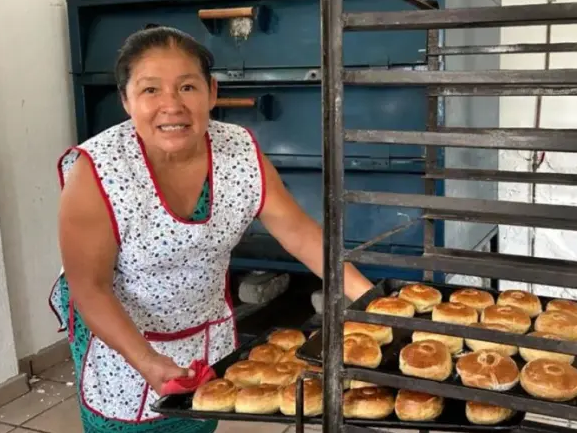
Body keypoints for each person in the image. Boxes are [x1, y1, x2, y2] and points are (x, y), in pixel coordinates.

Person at [49, 26, 375, 433]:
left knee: (197, 420)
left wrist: (370, 300)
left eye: (187, 87)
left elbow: (299, 232)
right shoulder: (97, 171)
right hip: (122, 336)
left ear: (212, 92)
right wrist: (148, 361)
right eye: (150, 90)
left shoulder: (238, 150)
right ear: (126, 100)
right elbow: (89, 288)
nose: (171, 105)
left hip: (201, 321)